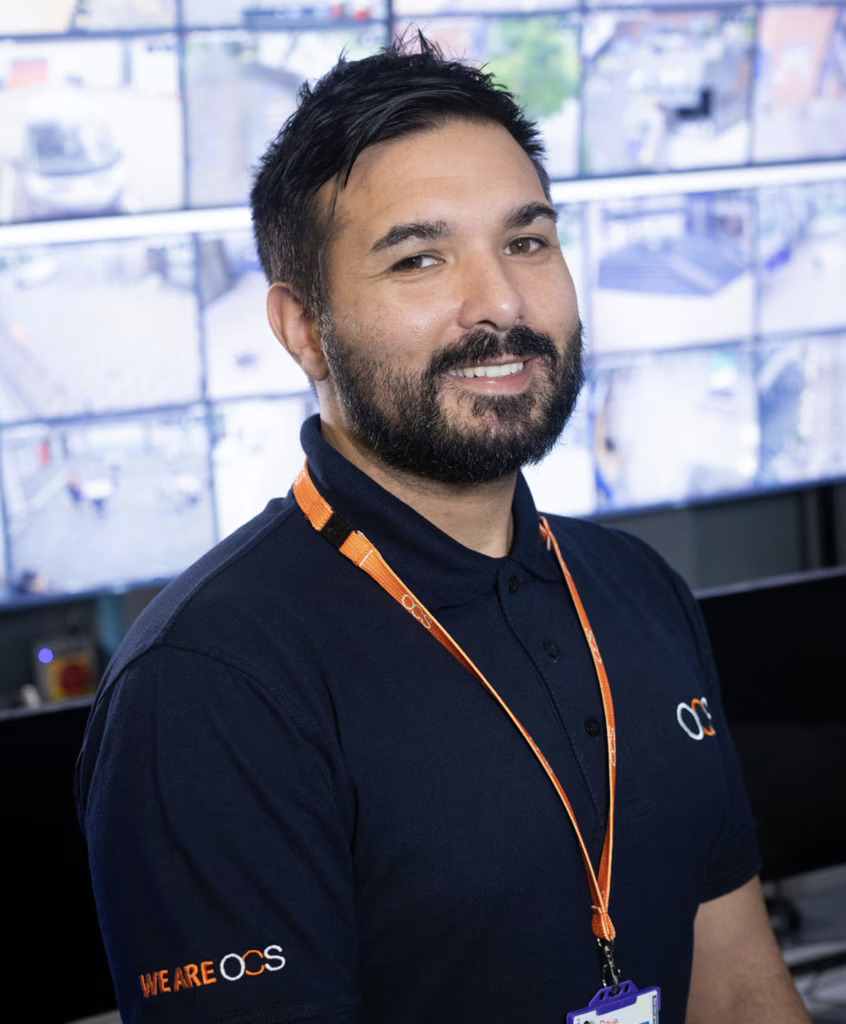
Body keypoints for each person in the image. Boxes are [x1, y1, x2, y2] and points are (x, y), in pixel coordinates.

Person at [76, 35, 810, 1024]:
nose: (501, 303)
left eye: (527, 241)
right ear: (301, 328)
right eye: (419, 258)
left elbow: (737, 985)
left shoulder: (637, 588)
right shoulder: (208, 684)